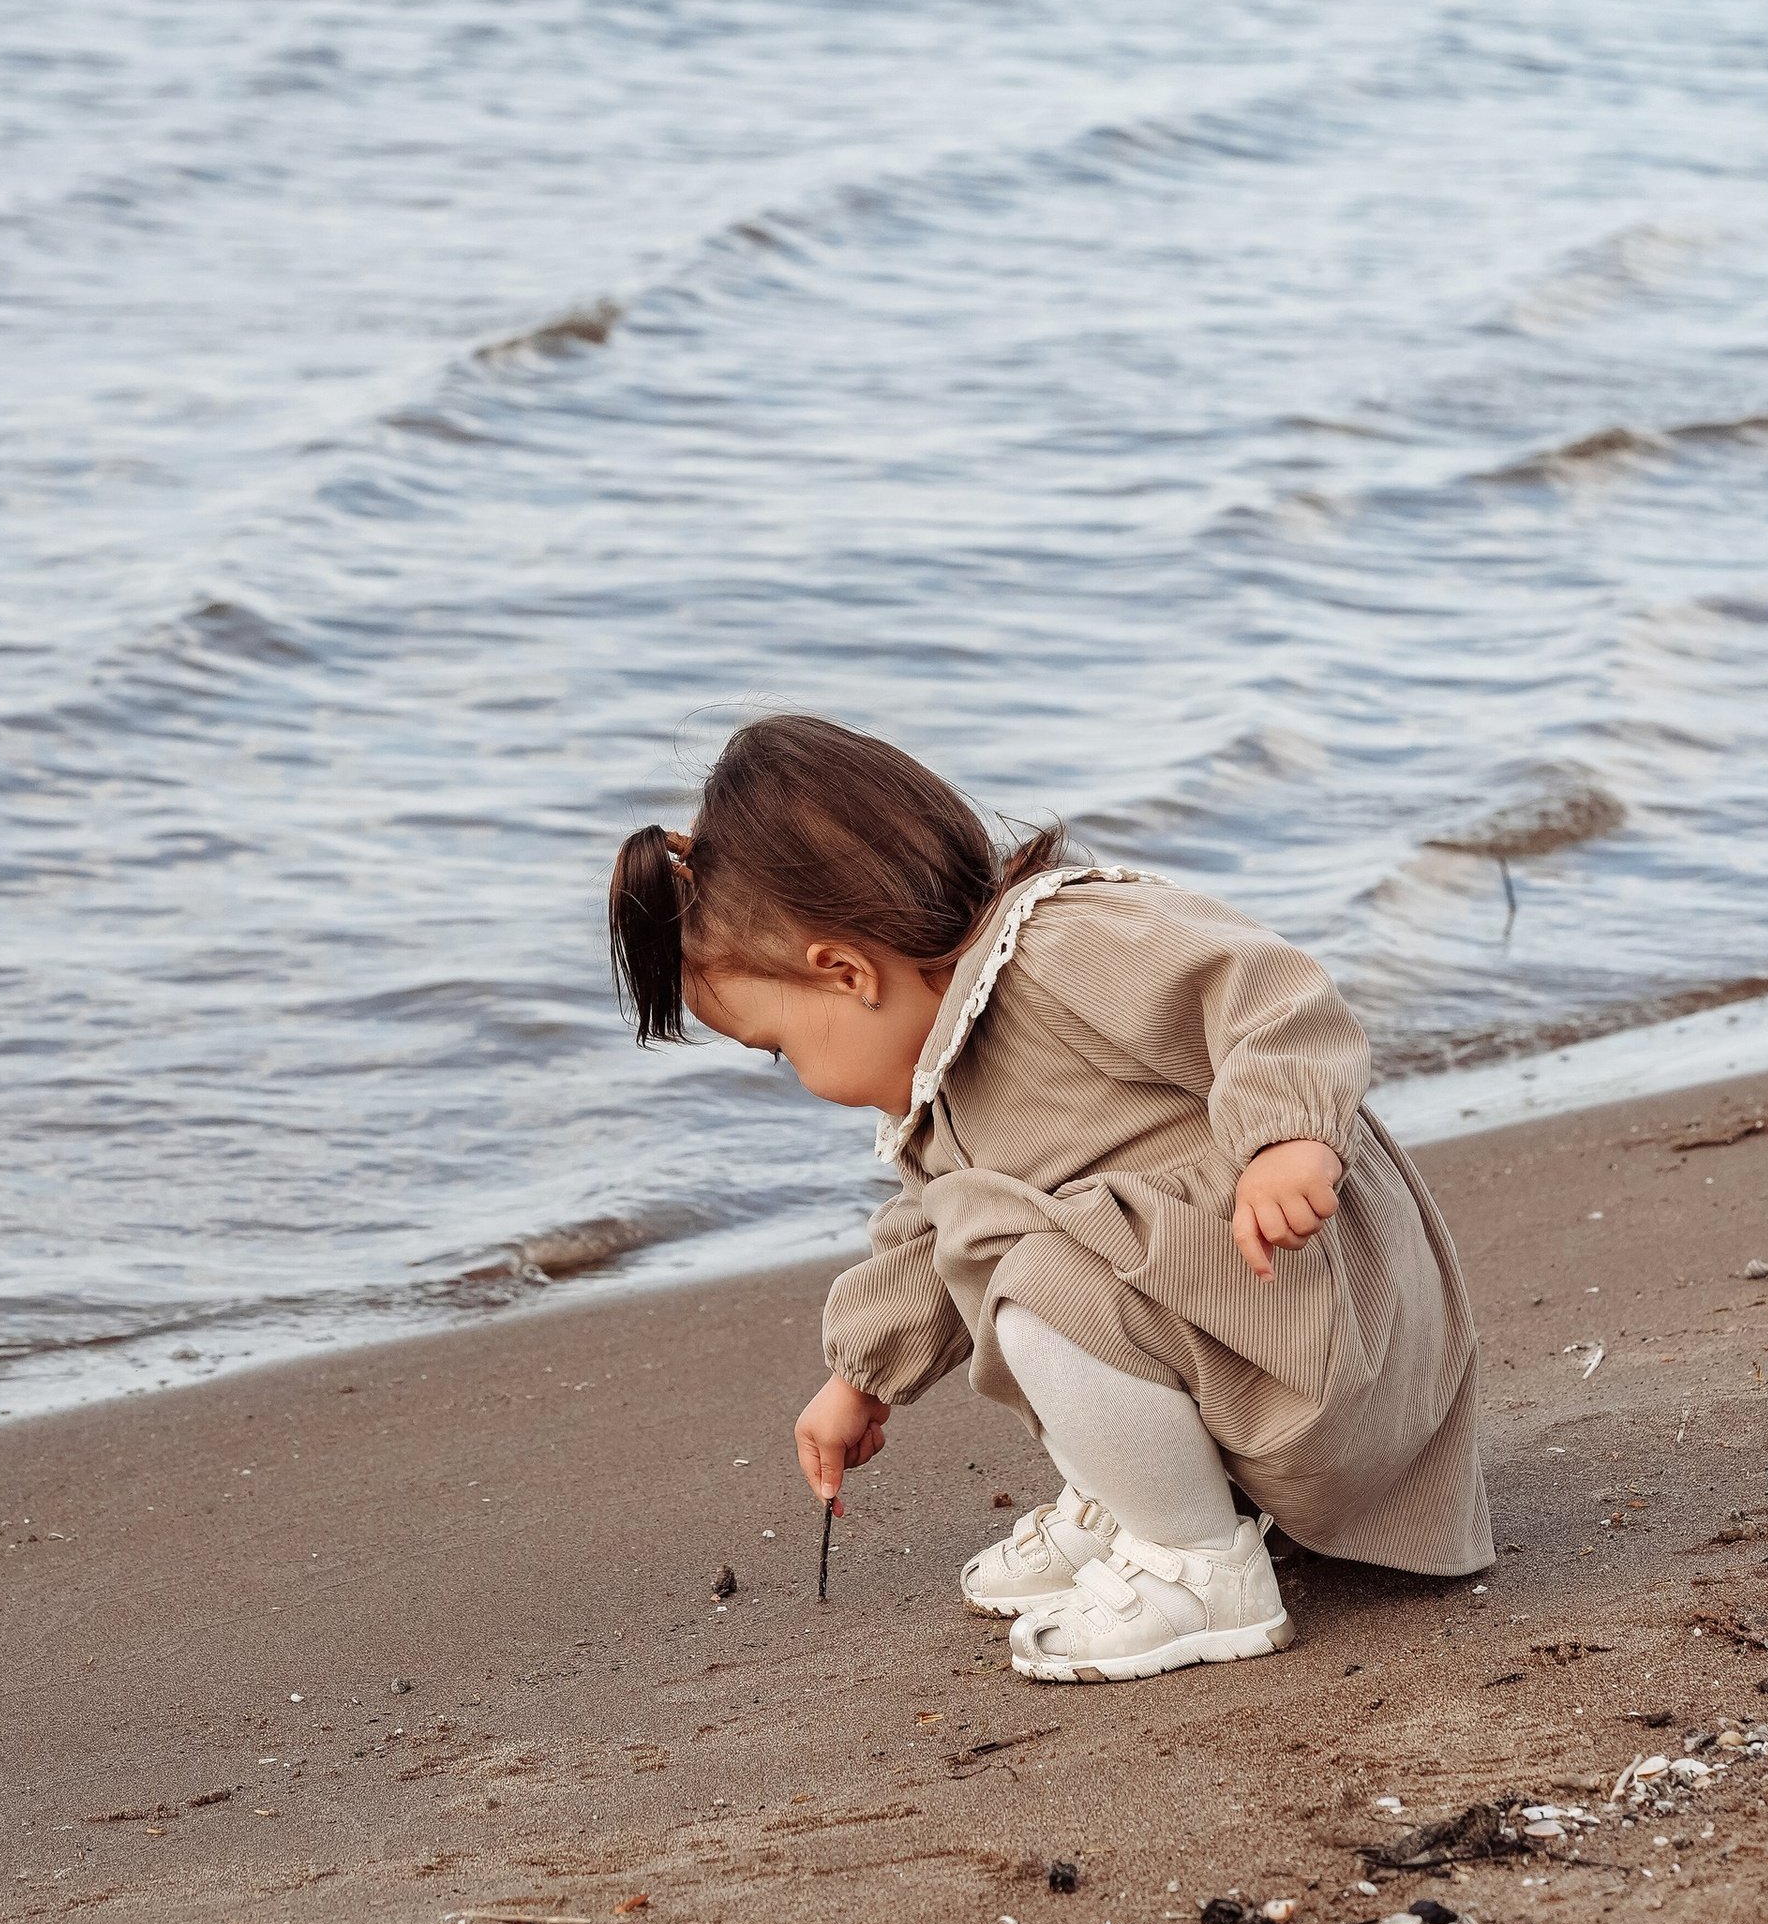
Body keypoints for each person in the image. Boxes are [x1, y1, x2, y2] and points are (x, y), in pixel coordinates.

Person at [608, 713, 1490, 1680]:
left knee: (1037, 1282)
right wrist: (859, 1376)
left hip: (1328, 1335)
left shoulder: (1065, 946)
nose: (796, 1074)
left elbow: (1268, 990)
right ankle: (1146, 1496)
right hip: (1260, 1338)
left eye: (780, 1049)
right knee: (1010, 1246)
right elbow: (930, 1236)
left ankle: (1199, 1565)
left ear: (846, 973)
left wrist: (1286, 1136)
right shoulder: (949, 1076)